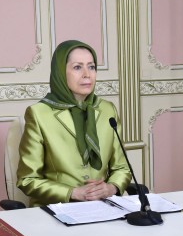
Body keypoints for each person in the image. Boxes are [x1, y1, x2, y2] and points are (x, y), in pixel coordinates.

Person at [17, 40, 132, 207]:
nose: (87, 74)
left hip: (102, 207)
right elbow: (27, 179)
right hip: (59, 209)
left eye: (91, 67)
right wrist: (73, 193)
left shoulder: (108, 110)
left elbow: (122, 168)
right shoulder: (39, 114)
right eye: (78, 67)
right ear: (61, 73)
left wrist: (111, 188)